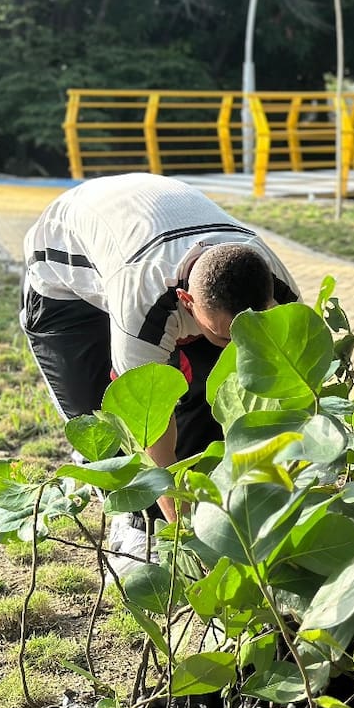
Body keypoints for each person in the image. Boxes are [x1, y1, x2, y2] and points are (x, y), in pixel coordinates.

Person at [21, 173, 301, 572]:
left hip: (154, 230)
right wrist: (184, 532)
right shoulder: (145, 304)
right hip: (66, 283)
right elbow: (152, 430)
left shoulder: (277, 287)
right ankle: (133, 530)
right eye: (223, 335)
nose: (234, 345)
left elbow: (291, 395)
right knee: (105, 423)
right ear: (186, 301)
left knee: (205, 420)